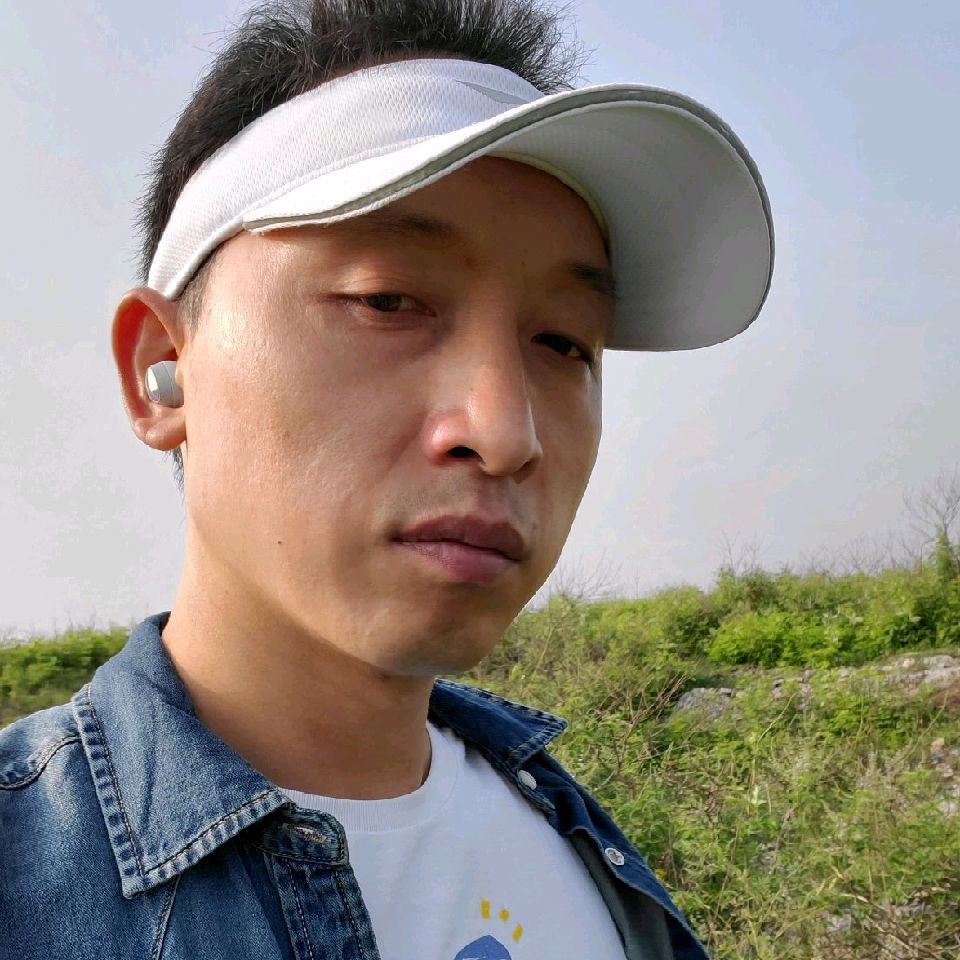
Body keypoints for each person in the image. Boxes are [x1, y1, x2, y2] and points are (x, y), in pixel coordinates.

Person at [0, 1, 773, 957]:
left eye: (564, 342)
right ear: (163, 368)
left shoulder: (567, 833)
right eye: (389, 299)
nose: (506, 433)